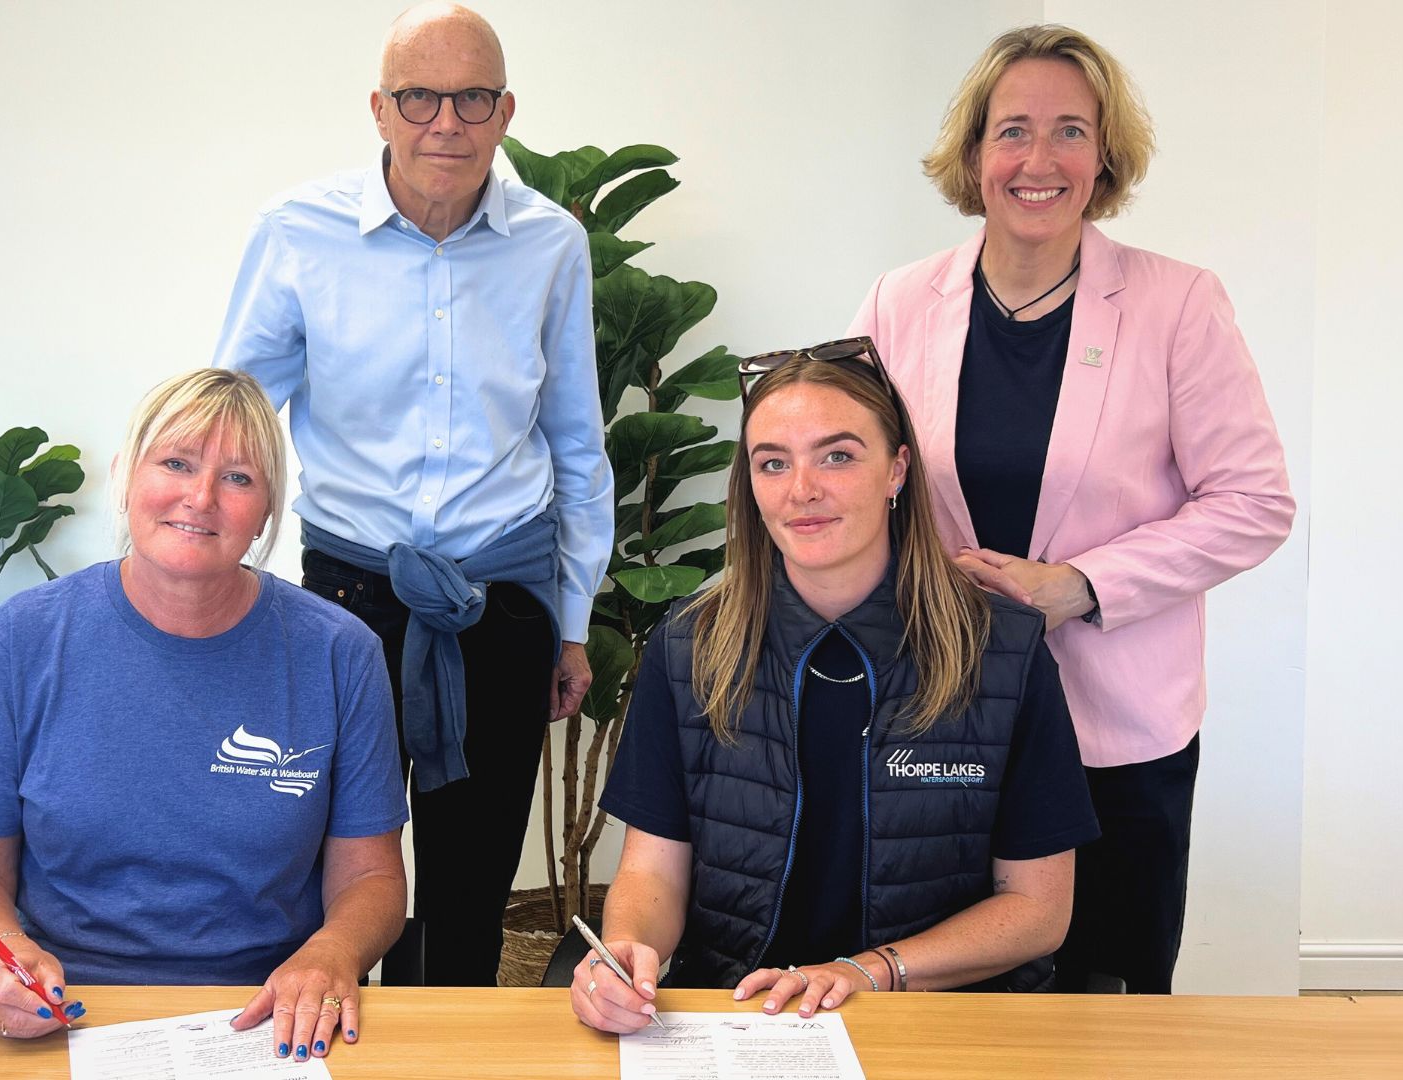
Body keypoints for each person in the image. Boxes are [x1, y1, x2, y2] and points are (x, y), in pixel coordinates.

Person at [847, 24, 1296, 994]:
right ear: (973, 153)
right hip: (944, 718)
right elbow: (855, 482)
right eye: (1012, 131)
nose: (1037, 160)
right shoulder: (897, 303)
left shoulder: (1178, 305)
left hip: (1118, 729)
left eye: (1069, 132)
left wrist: (1081, 585)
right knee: (949, 1000)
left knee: (1109, 1001)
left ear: (1105, 155)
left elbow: (1255, 501)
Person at [211, 2, 614, 987]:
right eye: (420, 97)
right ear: (380, 110)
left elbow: (576, 442)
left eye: (471, 97)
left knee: (471, 890)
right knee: (331, 873)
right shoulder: (300, 233)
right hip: (346, 600)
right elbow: (234, 423)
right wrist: (221, 596)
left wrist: (571, 625)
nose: (447, 122)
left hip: (501, 598)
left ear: (505, 109)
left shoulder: (551, 244)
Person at [570, 339, 1098, 1034]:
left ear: (897, 470)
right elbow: (653, 874)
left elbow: (1036, 910)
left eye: (838, 456)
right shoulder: (688, 644)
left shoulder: (1003, 647)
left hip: (942, 1023)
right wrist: (630, 951)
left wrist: (870, 970)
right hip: (742, 1019)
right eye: (773, 463)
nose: (802, 490)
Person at [0, 369, 408, 1062]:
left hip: (271, 1016)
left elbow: (373, 880)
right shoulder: (21, 641)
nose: (201, 497)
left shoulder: (339, 652)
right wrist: (2, 961)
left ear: (270, 509)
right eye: (176, 463)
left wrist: (332, 952)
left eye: (238, 478)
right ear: (126, 476)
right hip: (67, 1015)